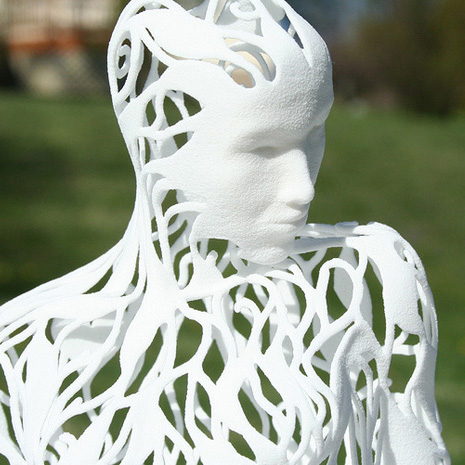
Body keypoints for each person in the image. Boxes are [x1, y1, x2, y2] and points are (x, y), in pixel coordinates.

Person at [0, 0, 449, 464]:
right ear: (163, 133)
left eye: (314, 134)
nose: (303, 188)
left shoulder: (373, 279)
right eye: (262, 148)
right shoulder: (25, 345)